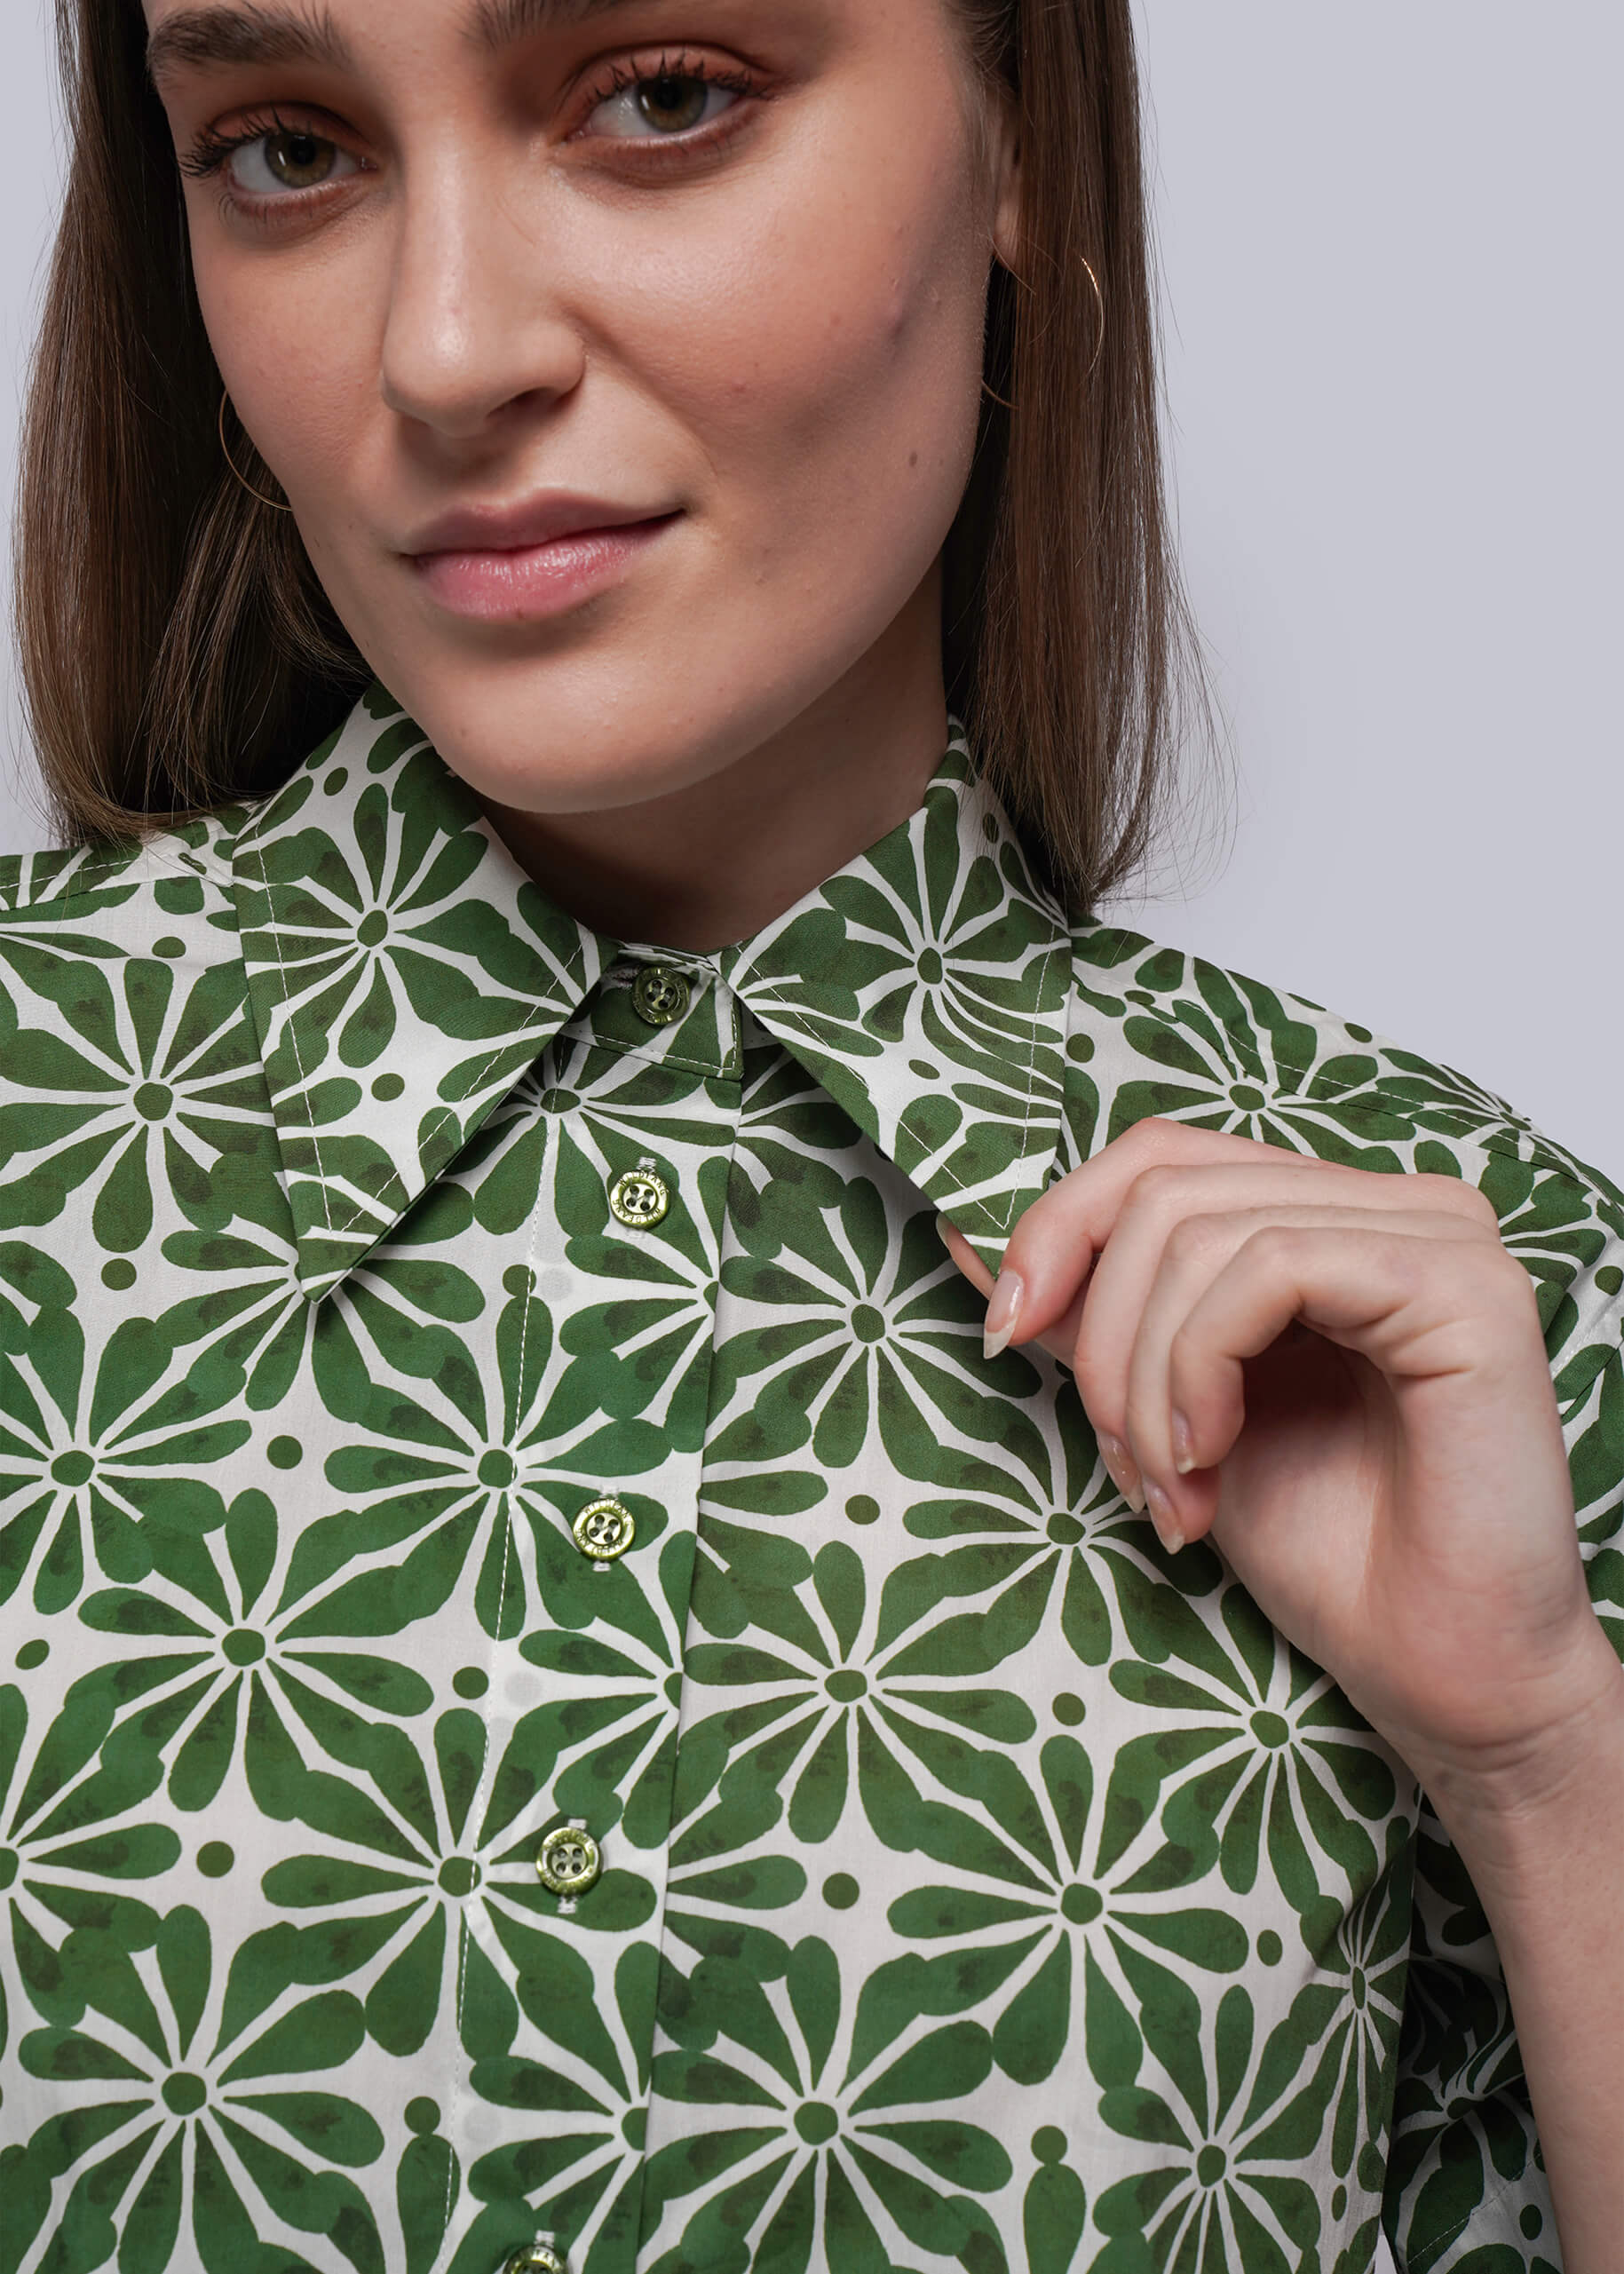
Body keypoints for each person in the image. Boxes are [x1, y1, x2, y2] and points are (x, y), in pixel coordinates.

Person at [0, 0, 1618, 2269]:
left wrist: (1551, 1770)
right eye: (284, 150)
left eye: (661, 97)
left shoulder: (1506, 1320)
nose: (446, 350)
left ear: (1020, 133)